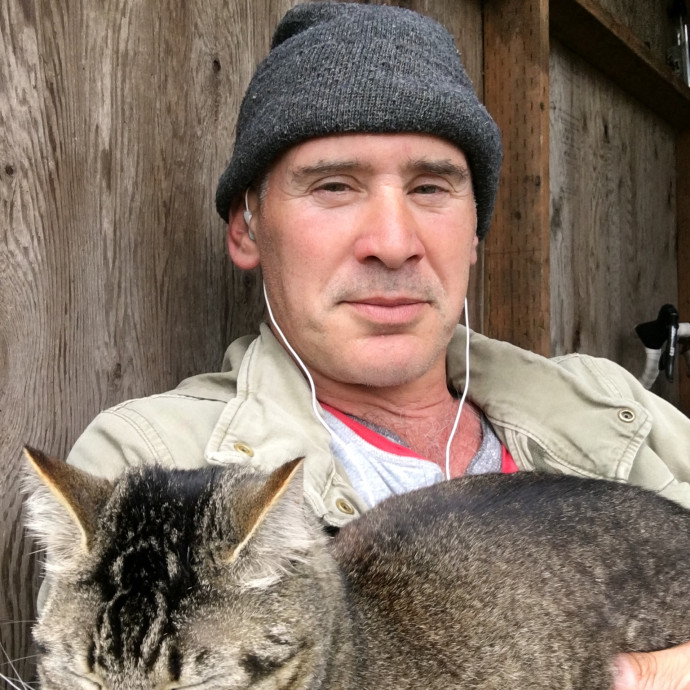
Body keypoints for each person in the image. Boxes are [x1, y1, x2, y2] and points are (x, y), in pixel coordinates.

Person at [61, 3, 690, 687]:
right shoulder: (147, 462)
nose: (393, 243)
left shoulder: (613, 405)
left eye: (430, 186)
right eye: (334, 186)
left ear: (475, 231)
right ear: (246, 226)